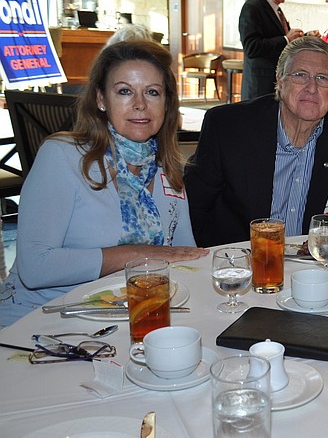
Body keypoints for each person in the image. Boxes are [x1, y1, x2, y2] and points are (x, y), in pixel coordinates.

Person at [0, 41, 207, 327]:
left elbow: (184, 253)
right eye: (124, 91)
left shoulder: (166, 168)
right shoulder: (63, 155)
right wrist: (138, 254)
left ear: (167, 103)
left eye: (152, 92)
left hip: (129, 318)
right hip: (43, 318)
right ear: (101, 99)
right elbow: (35, 267)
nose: (140, 104)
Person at [185, 36, 328, 247]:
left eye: (322, 78)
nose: (312, 87)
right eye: (300, 75)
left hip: (312, 264)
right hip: (240, 261)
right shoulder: (229, 127)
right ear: (280, 80)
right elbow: (194, 206)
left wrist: (325, 250)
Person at [239, 0, 305, 101]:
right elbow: (252, 48)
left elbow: (277, 37)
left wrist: (302, 36)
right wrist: (286, 39)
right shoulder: (252, 7)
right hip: (260, 87)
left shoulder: (277, 9)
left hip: (275, 83)